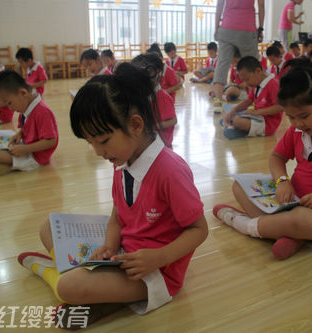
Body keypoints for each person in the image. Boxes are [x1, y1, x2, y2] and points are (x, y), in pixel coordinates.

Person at [17, 63, 208, 329]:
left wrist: (158, 257)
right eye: (91, 143)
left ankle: (55, 273)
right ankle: (99, 295)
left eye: (103, 141)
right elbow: (117, 218)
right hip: (121, 253)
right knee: (48, 226)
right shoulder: (123, 161)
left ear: (136, 124)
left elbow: (199, 230)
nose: (97, 151)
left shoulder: (170, 170)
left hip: (153, 271)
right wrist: (108, 245)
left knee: (70, 286)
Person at [214, 66, 312, 260]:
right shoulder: (298, 131)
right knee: (239, 186)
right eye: (291, 117)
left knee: (301, 220)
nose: (298, 124)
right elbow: (276, 158)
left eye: (304, 116)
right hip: (293, 199)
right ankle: (289, 234)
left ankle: (244, 224)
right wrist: (282, 180)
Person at [0, 70, 58, 176]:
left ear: (23, 93)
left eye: (9, 103)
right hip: (25, 144)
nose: (10, 108)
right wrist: (19, 134)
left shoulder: (42, 112)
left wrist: (25, 149)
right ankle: (3, 162)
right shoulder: (25, 106)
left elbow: (51, 141)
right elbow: (25, 127)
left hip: (35, 155)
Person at [210, 0, 265, 112]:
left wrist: (216, 28)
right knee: (253, 67)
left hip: (227, 27)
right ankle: (255, 102)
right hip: (247, 28)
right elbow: (261, 4)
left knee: (221, 65)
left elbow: (220, 4)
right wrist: (261, 28)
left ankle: (217, 103)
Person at [221, 56, 283, 140]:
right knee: (226, 113)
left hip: (268, 124)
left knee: (236, 121)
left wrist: (257, 112)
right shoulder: (257, 84)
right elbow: (248, 101)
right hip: (257, 117)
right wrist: (234, 109)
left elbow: (279, 107)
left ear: (258, 71)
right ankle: (234, 126)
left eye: (247, 79)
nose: (246, 84)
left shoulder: (273, 84)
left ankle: (233, 126)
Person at [131, 53, 177, 148]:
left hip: (162, 145)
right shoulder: (143, 95)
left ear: (157, 73)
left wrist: (152, 126)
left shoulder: (162, 97)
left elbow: (173, 120)